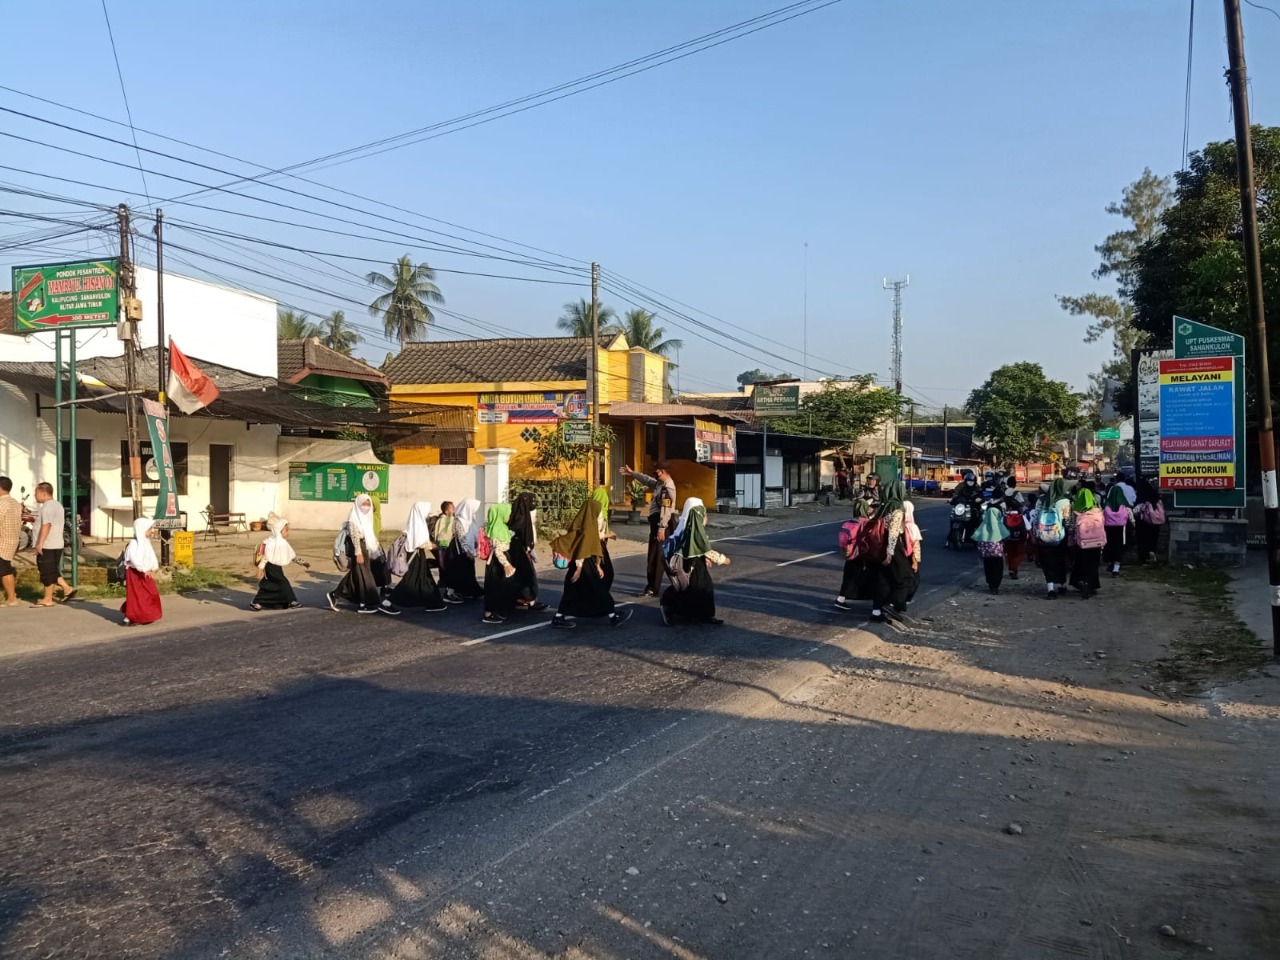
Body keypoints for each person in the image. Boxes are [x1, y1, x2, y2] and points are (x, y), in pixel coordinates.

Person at [549, 494, 632, 630]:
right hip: (584, 563)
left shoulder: (586, 524)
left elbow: (591, 547)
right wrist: (579, 569)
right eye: (598, 511)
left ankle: (558, 617)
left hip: (586, 562)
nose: (599, 513)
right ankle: (613, 616)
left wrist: (597, 564)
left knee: (574, 591)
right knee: (598, 589)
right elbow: (584, 549)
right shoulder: (588, 530)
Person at [659, 497, 730, 626]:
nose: (704, 516)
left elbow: (697, 546)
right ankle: (668, 606)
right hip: (687, 563)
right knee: (688, 587)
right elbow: (701, 544)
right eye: (701, 513)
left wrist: (704, 558)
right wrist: (721, 559)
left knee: (701, 586)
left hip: (695, 561)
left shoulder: (688, 526)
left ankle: (705, 615)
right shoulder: (692, 527)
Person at [328, 493, 400, 615]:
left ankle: (335, 594)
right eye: (364, 504)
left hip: (366, 548)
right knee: (365, 576)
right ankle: (369, 603)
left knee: (357, 574)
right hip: (358, 548)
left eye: (368, 504)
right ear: (358, 504)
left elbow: (371, 536)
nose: (366, 507)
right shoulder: (353, 519)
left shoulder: (368, 518)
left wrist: (377, 551)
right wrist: (358, 553)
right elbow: (355, 537)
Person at [621, 461, 677, 597]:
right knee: (663, 556)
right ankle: (678, 584)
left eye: (657, 471)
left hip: (662, 523)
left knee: (656, 557)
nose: (655, 474)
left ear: (663, 471)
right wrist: (632, 473)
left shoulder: (667, 487)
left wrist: (662, 528)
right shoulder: (660, 483)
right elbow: (647, 480)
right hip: (658, 523)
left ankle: (653, 587)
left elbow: (666, 508)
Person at [390, 501, 447, 611]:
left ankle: (433, 603)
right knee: (410, 581)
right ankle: (388, 602)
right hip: (415, 555)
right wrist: (434, 545)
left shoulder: (416, 522)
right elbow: (419, 543)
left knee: (425, 579)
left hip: (418, 555)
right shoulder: (417, 524)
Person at [870, 480, 911, 623]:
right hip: (892, 546)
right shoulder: (897, 508)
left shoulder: (882, 506)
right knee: (905, 576)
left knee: (882, 580)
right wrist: (890, 552)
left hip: (878, 545)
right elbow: (893, 531)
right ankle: (893, 605)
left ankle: (876, 612)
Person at [251, 516, 307, 611]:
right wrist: (260, 569)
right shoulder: (272, 543)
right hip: (270, 566)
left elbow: (290, 555)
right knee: (283, 582)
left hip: (277, 567)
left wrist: (302, 562)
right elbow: (266, 557)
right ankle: (292, 601)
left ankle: (257, 602)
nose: (288, 533)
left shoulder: (282, 542)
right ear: (279, 531)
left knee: (269, 584)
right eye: (286, 531)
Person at [31, 482, 73, 607]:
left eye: (36, 493)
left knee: (47, 571)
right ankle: (67, 588)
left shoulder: (48, 507)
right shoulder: (57, 505)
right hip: (56, 543)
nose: (35, 496)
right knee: (52, 569)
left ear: (43, 493)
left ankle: (48, 599)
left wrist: (40, 543)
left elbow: (46, 525)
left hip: (48, 545)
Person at [508, 491, 546, 612]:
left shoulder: (518, 515)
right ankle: (531, 601)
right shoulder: (521, 519)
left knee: (519, 576)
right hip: (520, 551)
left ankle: (521, 599)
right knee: (528, 576)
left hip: (519, 551)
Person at [482, 502, 520, 624]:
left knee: (502, 586)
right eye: (507, 514)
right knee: (494, 587)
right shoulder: (496, 529)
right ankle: (489, 614)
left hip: (502, 558)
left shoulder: (501, 527)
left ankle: (497, 610)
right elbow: (497, 550)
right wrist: (506, 564)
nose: (509, 516)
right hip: (498, 561)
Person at [439, 498, 484, 601]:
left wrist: (477, 547)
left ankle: (466, 591)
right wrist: (467, 551)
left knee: (468, 572)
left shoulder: (471, 520)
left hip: (469, 551)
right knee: (458, 572)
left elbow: (475, 534)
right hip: (459, 552)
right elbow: (461, 538)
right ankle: (450, 593)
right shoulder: (458, 521)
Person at [1036, 478, 1073, 600]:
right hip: (1060, 536)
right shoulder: (1065, 502)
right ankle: (1062, 585)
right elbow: (1067, 521)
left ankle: (1050, 589)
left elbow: (1036, 518)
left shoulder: (1042, 500)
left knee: (1047, 562)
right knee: (1060, 560)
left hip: (1044, 536)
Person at [121, 517, 162, 626]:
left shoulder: (146, 542)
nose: (151, 531)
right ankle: (129, 617)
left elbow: (151, 555)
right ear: (142, 530)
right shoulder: (134, 543)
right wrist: (143, 569)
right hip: (135, 573)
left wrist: (153, 567)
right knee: (136, 595)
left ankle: (143, 615)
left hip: (145, 573)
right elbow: (134, 559)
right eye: (149, 529)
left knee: (149, 593)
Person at [834, 498, 872, 611]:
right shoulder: (865, 523)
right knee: (869, 576)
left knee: (848, 577)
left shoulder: (849, 522)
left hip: (849, 554)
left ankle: (841, 599)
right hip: (860, 554)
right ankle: (876, 604)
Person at [1069, 487, 1106, 599]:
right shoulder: (1098, 511)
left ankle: (1082, 582)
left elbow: (1071, 527)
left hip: (1082, 544)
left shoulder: (1076, 512)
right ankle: (1091, 585)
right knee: (1093, 565)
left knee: (1082, 564)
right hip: (1097, 543)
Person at [972, 503, 1010, 594]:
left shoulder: (983, 524)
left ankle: (990, 584)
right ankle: (995, 587)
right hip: (997, 553)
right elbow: (1006, 535)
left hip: (986, 553)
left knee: (988, 568)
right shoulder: (999, 524)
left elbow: (976, 536)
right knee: (998, 568)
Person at [1102, 484, 1134, 578]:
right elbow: (1131, 518)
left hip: (1108, 530)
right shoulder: (1125, 505)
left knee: (1109, 547)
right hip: (1121, 530)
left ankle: (1110, 563)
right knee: (1119, 548)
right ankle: (1116, 569)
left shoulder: (1106, 505)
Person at [1133, 479, 1166, 564]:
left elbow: (1136, 510)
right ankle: (1152, 551)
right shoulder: (1154, 495)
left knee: (1143, 540)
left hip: (1143, 523)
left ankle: (1143, 557)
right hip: (1155, 522)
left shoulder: (1140, 496)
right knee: (1153, 538)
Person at [0, 476, 20, 607]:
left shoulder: (2, 503)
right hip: (13, 539)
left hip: (2, 541)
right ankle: (11, 596)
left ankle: (12, 598)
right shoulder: (15, 502)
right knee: (5, 567)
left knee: (4, 570)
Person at [1002, 487, 1029, 579]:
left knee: (1009, 554)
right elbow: (1028, 527)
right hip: (1020, 539)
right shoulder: (1021, 516)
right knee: (1019, 554)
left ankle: (1011, 569)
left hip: (1008, 538)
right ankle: (1014, 568)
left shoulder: (1004, 517)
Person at [902, 499, 923, 608]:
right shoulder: (912, 526)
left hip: (899, 556)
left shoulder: (897, 524)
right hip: (909, 557)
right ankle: (902, 601)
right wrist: (916, 561)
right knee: (913, 581)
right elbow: (916, 546)